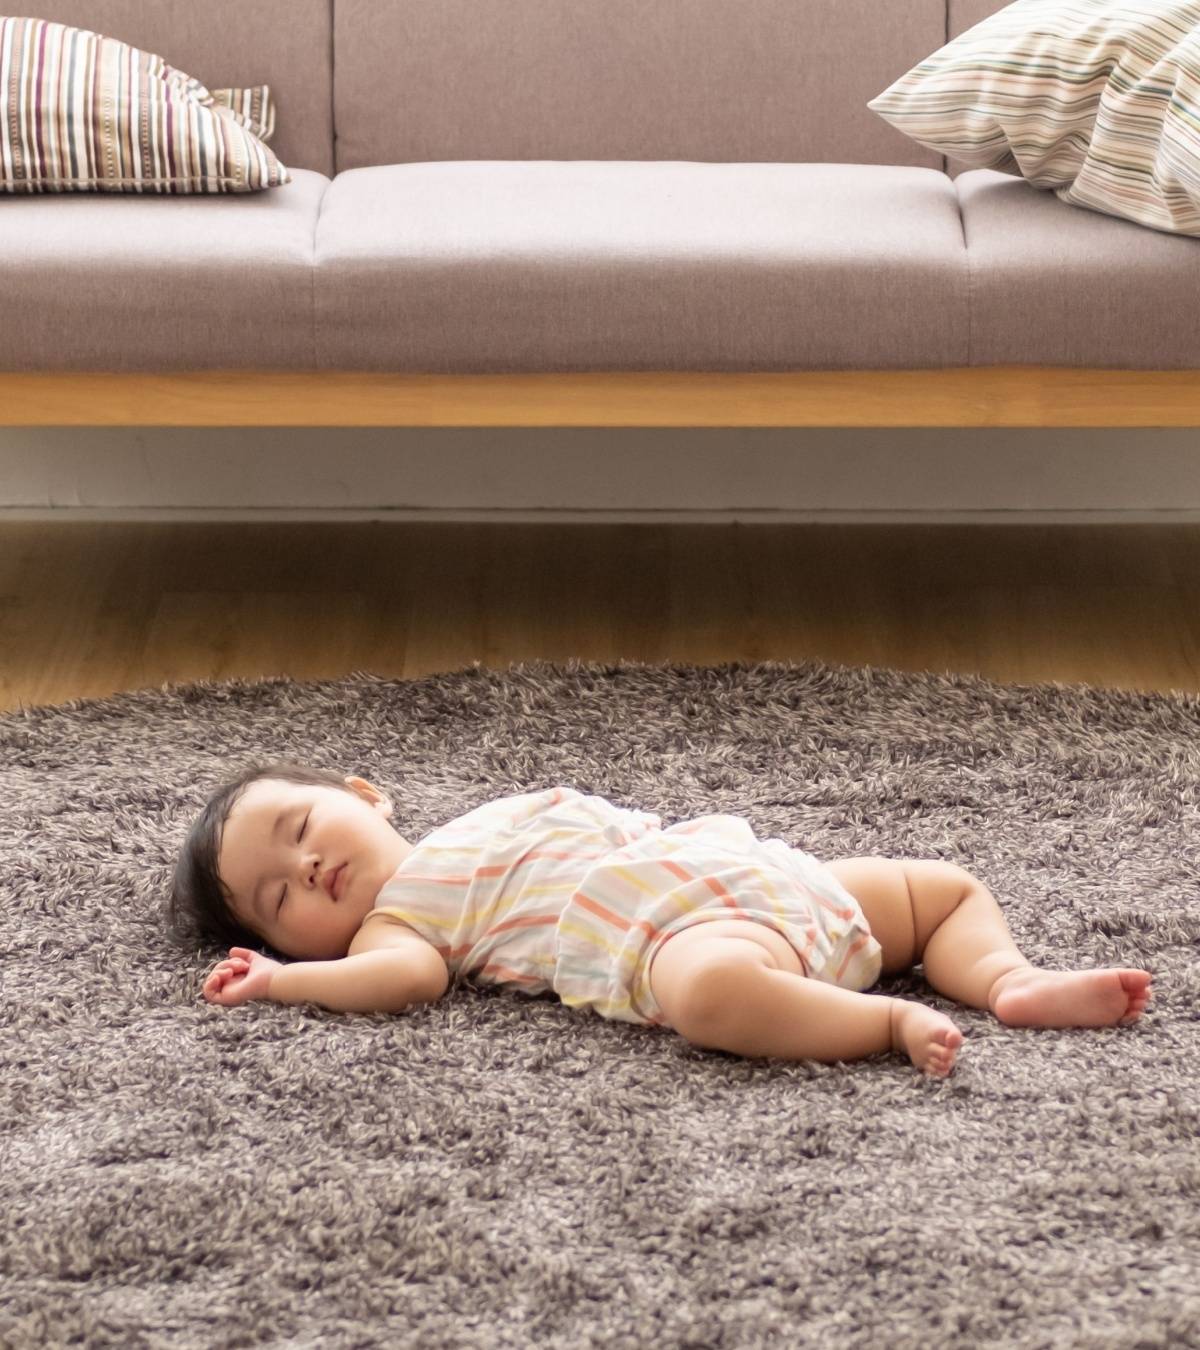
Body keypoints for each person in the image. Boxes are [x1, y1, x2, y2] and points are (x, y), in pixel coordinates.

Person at [170, 760, 1153, 1078]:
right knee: (711, 995)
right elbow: (403, 983)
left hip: (757, 873)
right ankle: (885, 1023)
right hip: (682, 936)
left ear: (364, 792)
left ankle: (1006, 980)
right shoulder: (401, 925)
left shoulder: (467, 825)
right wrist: (284, 982)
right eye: (279, 900)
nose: (307, 866)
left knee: (938, 887)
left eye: (301, 828)